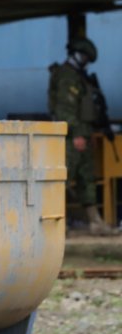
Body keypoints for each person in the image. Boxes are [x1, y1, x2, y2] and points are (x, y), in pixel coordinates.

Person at [48, 36, 113, 235]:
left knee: (87, 178)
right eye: (84, 57)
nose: (85, 62)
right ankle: (56, 223)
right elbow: (64, 109)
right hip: (71, 137)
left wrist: (89, 132)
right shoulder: (66, 76)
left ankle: (95, 222)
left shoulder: (80, 77)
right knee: (63, 179)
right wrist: (76, 134)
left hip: (83, 134)